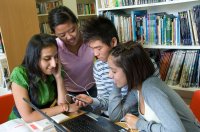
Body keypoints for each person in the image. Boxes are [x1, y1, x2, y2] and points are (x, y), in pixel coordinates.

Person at [75, 16, 159, 116]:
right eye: (92, 48)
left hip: (139, 120)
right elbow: (106, 103)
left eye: (98, 48)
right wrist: (92, 101)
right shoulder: (98, 67)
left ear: (113, 42)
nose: (95, 54)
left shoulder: (143, 62)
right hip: (113, 119)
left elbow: (156, 100)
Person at [107, 42, 200, 132]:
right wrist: (116, 84)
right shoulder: (137, 89)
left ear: (131, 70)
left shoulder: (151, 90)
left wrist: (139, 123)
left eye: (114, 71)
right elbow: (115, 116)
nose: (109, 75)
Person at [8, 34, 79, 122]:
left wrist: (58, 77)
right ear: (34, 58)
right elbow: (28, 117)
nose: (54, 64)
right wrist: (64, 108)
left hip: (44, 120)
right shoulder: (20, 73)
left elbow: (64, 103)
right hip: (19, 123)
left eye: (56, 56)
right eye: (47, 58)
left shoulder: (54, 69)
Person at [48, 6, 97, 97]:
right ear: (54, 34)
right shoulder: (55, 48)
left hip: (93, 88)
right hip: (69, 93)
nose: (69, 37)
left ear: (77, 23)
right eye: (62, 35)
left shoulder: (90, 40)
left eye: (72, 30)